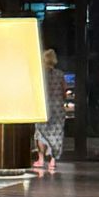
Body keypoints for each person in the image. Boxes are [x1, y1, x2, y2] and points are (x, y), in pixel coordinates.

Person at [32, 45, 67, 177]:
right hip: (57, 108)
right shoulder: (60, 74)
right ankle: (53, 160)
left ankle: (41, 159)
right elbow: (64, 92)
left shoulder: (40, 75)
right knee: (57, 134)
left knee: (40, 133)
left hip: (43, 107)